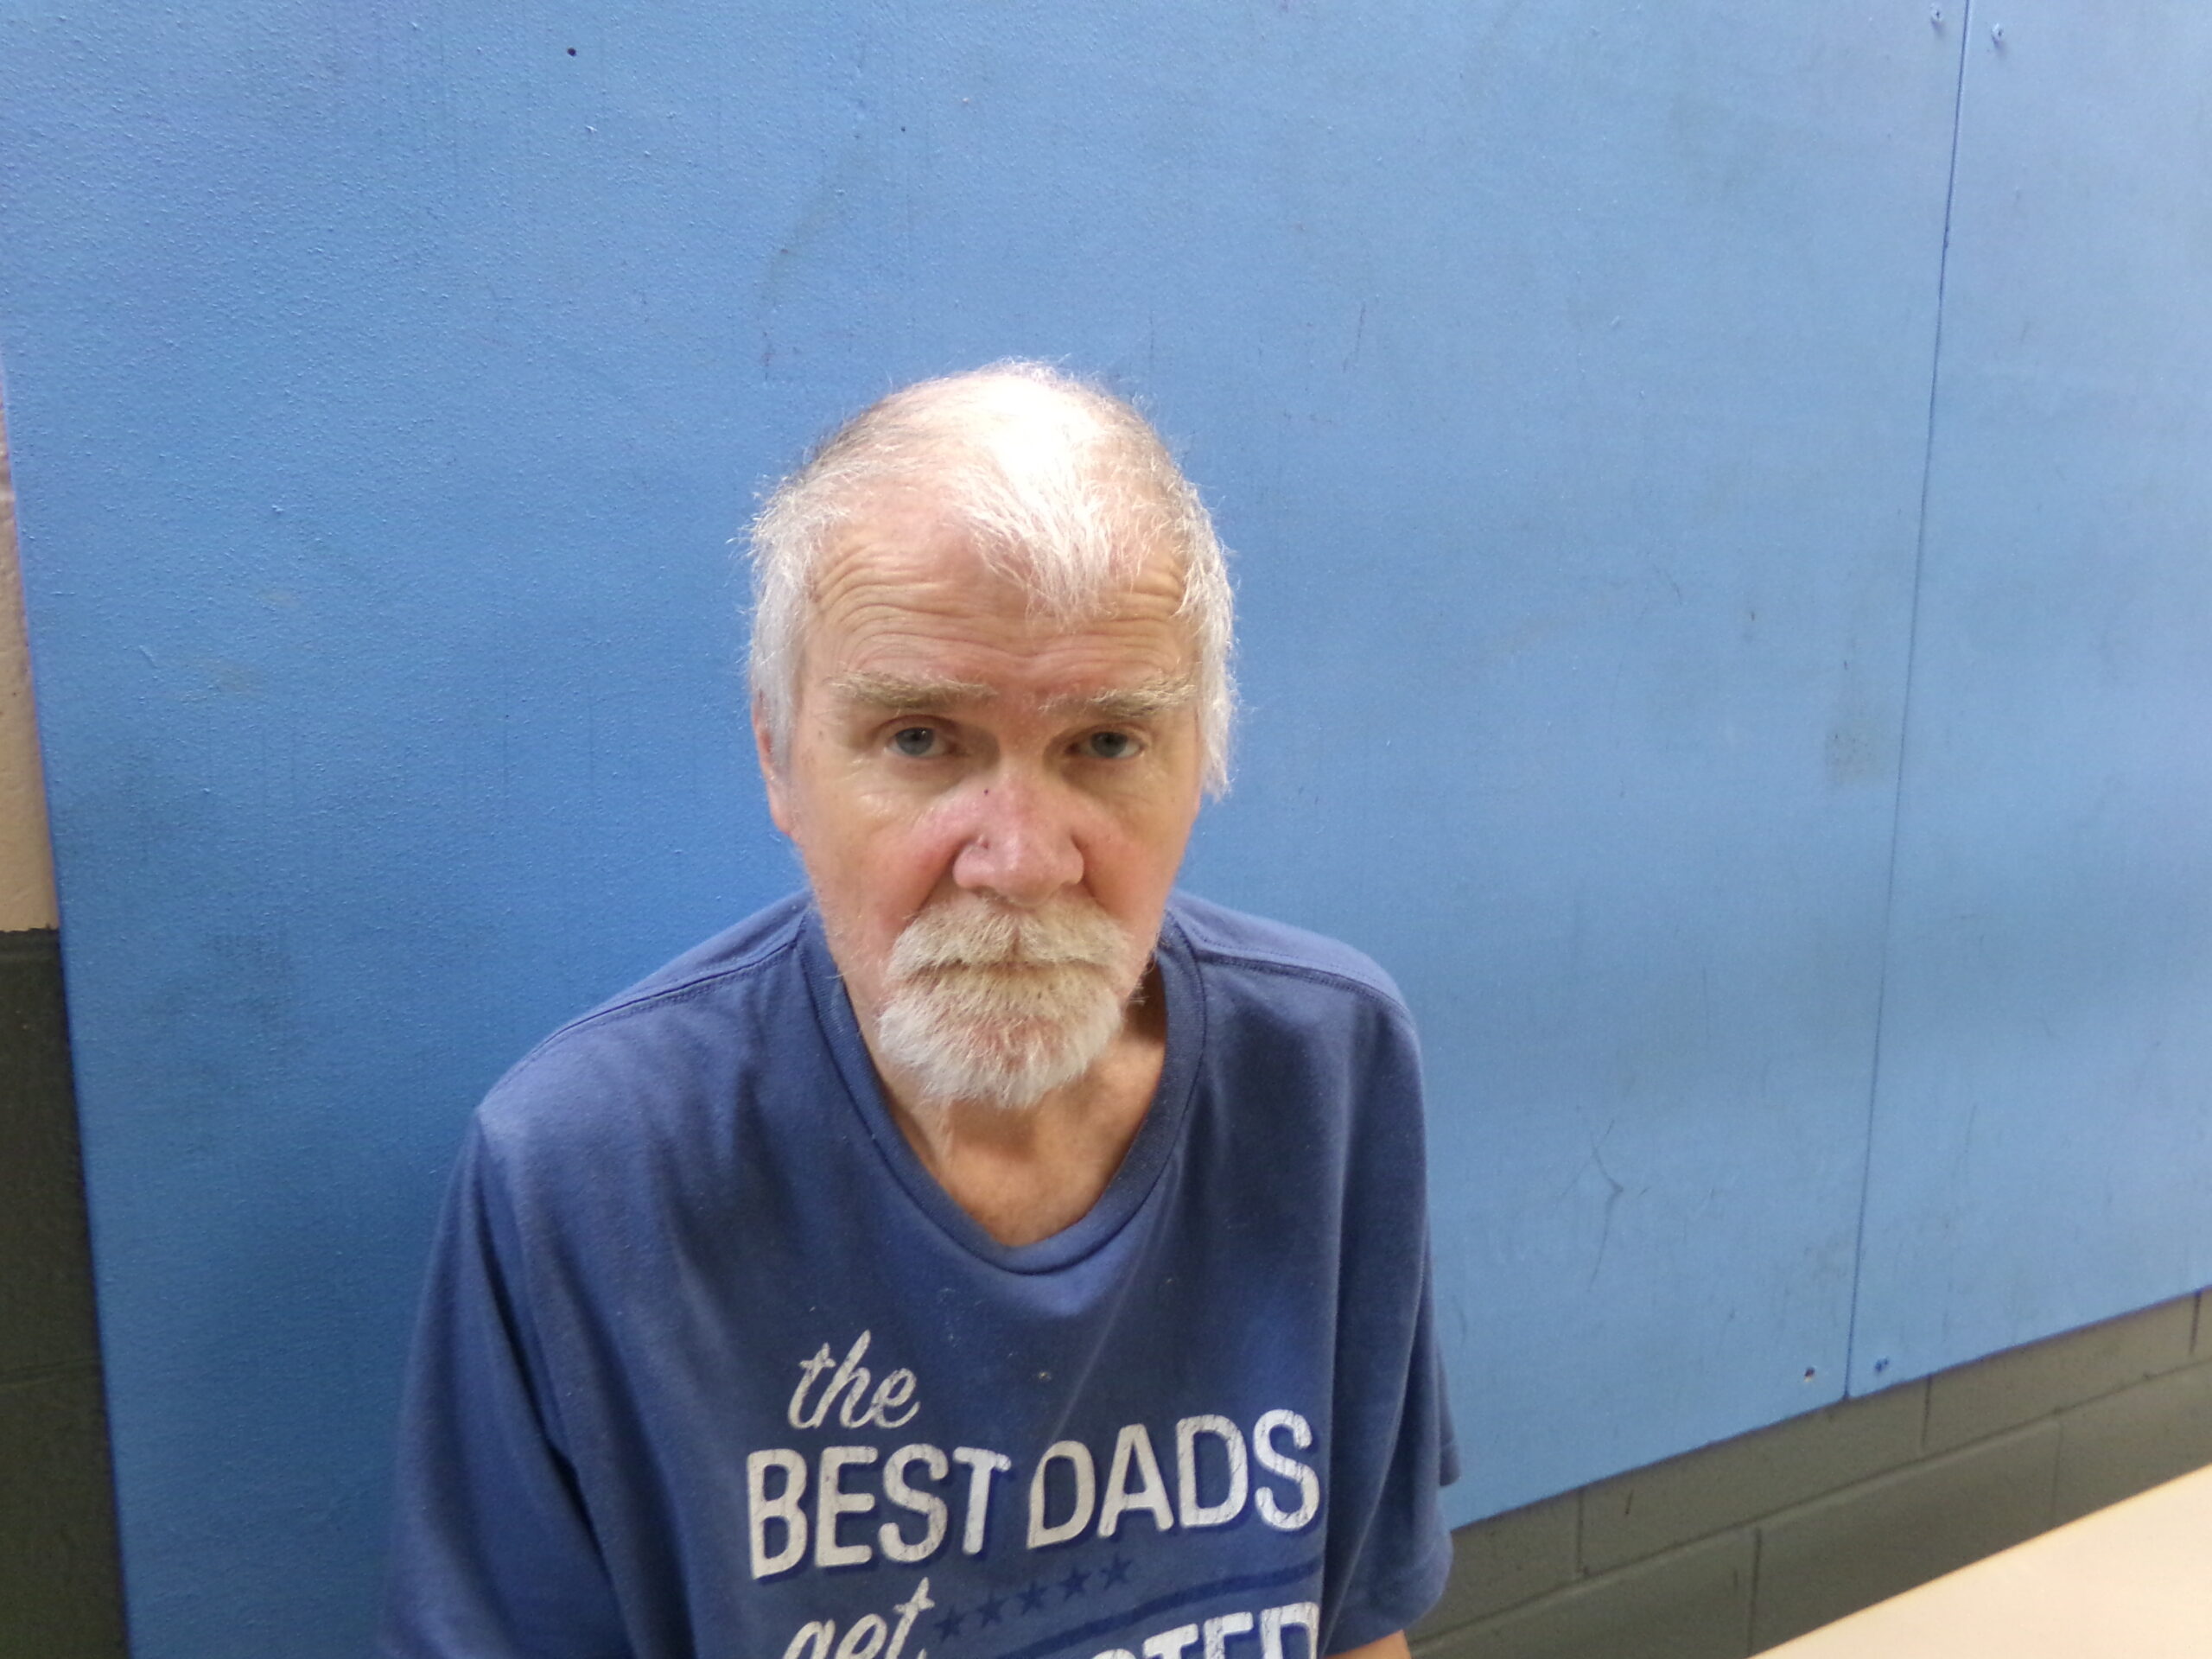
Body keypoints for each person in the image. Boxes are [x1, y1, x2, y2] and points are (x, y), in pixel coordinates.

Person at [380, 363, 1456, 1659]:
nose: (1020, 861)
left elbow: (1353, 1625)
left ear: (1206, 757)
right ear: (780, 757)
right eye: (919, 739)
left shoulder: (1330, 1068)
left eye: (1107, 743)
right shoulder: (586, 1169)